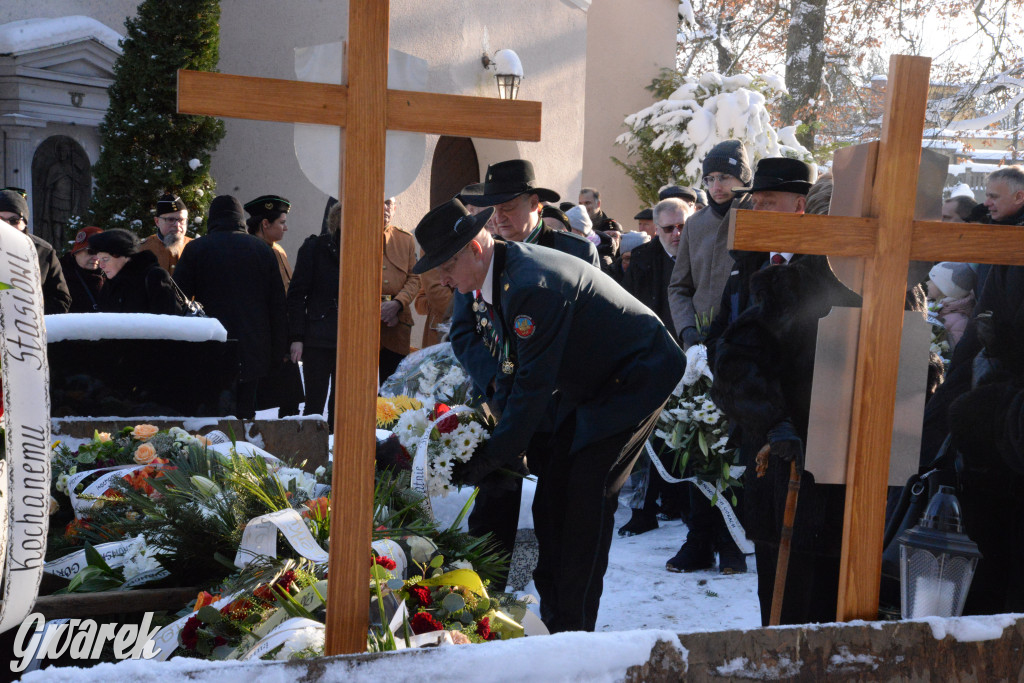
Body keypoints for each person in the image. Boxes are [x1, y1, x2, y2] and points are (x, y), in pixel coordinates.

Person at [412, 198, 686, 633]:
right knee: (551, 499)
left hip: (635, 377)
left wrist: (493, 455)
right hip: (586, 381)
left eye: (445, 266)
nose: (441, 279)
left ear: (475, 251)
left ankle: (573, 630)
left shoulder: (529, 288)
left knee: (582, 496)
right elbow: (510, 374)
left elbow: (531, 390)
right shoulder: (490, 279)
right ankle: (557, 612)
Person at [707, 157, 861, 622]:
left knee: (837, 589)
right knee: (785, 587)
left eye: (768, 202)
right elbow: (733, 354)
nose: (758, 212)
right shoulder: (774, 272)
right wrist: (771, 420)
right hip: (788, 449)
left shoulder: (873, 278)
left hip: (853, 454)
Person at [449, 161, 598, 562]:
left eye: (509, 207)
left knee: (557, 513)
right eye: (492, 210)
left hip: (558, 404)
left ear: (536, 204)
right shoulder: (481, 253)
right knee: (492, 507)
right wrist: (497, 381)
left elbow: (587, 334)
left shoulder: (574, 251)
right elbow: (463, 331)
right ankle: (484, 595)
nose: (499, 218)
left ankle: (552, 602)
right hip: (501, 401)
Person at [617, 196, 695, 537]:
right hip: (655, 355)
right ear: (656, 229)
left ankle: (683, 502)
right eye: (668, 229)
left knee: (691, 433)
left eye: (683, 226)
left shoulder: (701, 251)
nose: (676, 234)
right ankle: (644, 508)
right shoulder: (645, 259)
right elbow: (630, 305)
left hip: (695, 354)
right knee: (647, 438)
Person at [174, 195, 288, 419]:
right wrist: (278, 350)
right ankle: (242, 451)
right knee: (245, 413)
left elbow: (178, 298)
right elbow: (277, 304)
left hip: (211, 342)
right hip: (253, 343)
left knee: (211, 412)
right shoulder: (263, 250)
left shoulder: (197, 249)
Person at [667, 139, 754, 349]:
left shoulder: (758, 218)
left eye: (724, 177)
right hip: (700, 345)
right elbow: (679, 286)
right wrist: (687, 328)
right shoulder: (695, 224)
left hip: (746, 342)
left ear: (743, 178)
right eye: (709, 179)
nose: (716, 187)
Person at [245, 195, 303, 417]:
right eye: (281, 222)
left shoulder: (278, 250)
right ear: (265, 224)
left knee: (291, 400)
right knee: (259, 404)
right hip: (266, 338)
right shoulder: (252, 251)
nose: (286, 228)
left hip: (283, 334)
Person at [288, 203, 341, 428]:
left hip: (351, 340)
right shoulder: (314, 248)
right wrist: (297, 337)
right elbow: (297, 296)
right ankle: (313, 458)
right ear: (336, 220)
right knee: (314, 406)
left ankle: (339, 455)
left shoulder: (365, 249)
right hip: (318, 338)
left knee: (343, 406)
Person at [0, 187, 71, 314]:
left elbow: (61, 300)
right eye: (0, 219)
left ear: (24, 223)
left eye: (14, 220)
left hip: (29, 329)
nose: (6, 225)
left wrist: (28, 312)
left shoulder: (43, 252)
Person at [88, 229, 181, 315]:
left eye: (105, 259)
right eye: (100, 260)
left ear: (125, 256)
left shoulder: (154, 277)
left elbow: (167, 323)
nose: (101, 266)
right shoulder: (110, 285)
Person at [379, 196, 420, 384]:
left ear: (394, 208)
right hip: (364, 326)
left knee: (392, 391)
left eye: (388, 202)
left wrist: (397, 304)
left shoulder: (406, 239)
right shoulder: (356, 236)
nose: (385, 207)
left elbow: (415, 277)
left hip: (397, 326)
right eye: (380, 201)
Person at [139, 193, 192, 274]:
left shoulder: (195, 247)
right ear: (157, 221)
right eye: (170, 219)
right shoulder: (143, 249)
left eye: (181, 220)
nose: (177, 225)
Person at [927, 262, 976, 347]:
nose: (927, 283)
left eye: (932, 281)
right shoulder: (931, 304)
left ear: (945, 290)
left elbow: (953, 350)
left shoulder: (960, 321)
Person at [60, 226, 104, 313]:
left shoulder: (110, 275)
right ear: (76, 252)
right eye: (91, 251)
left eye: (101, 253)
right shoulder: (60, 278)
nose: (96, 257)